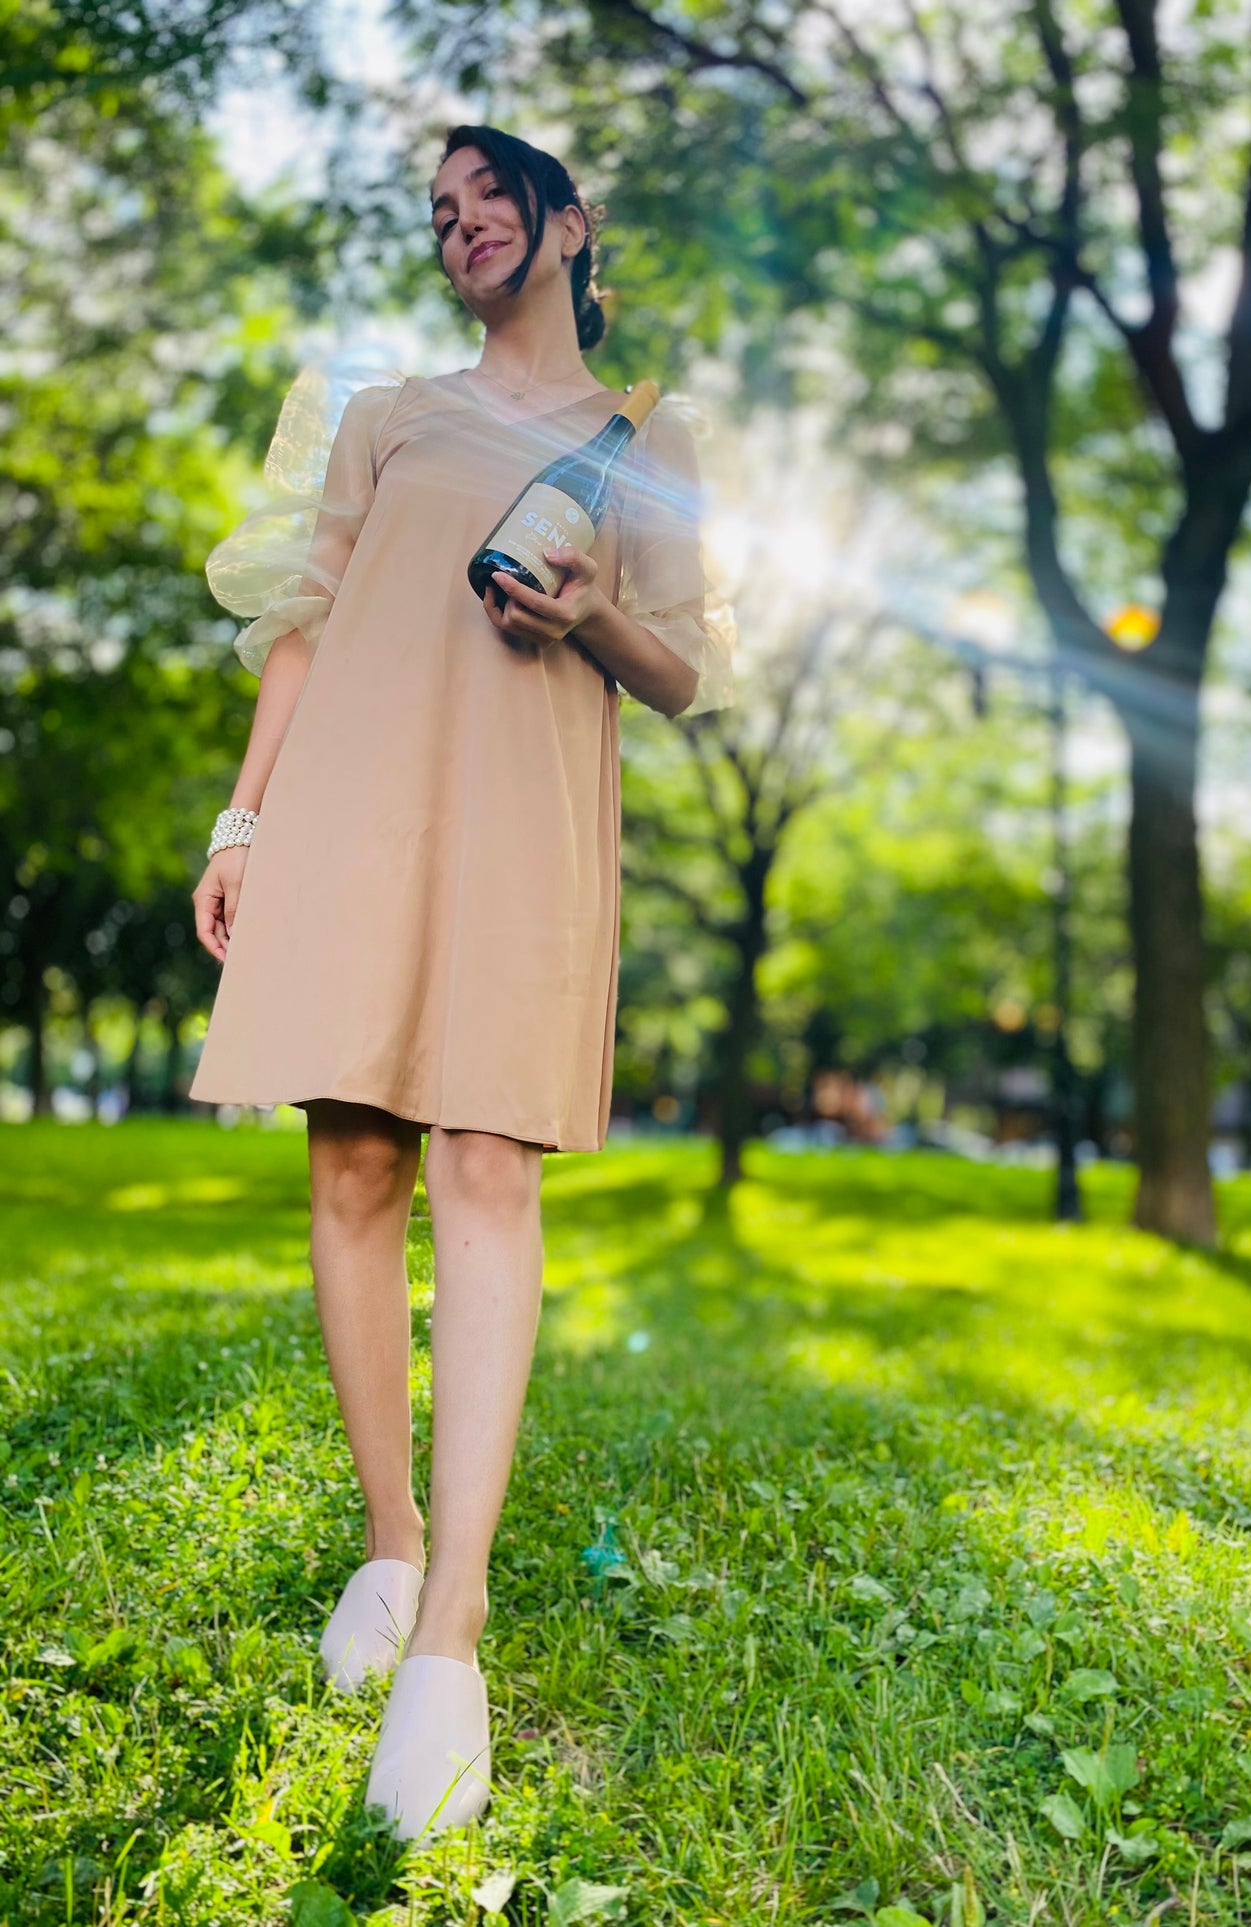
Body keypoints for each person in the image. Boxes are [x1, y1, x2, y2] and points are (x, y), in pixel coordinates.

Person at [187, 124, 734, 1842]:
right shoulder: (385, 411)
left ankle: (454, 1640)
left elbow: (688, 669)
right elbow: (304, 617)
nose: (461, 222)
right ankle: (390, 1549)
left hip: (520, 812)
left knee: (484, 1165)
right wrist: (243, 815)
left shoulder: (648, 437)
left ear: (568, 222)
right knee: (350, 1158)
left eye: (488, 193)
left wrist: (583, 618)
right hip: (349, 792)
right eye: (436, 210)